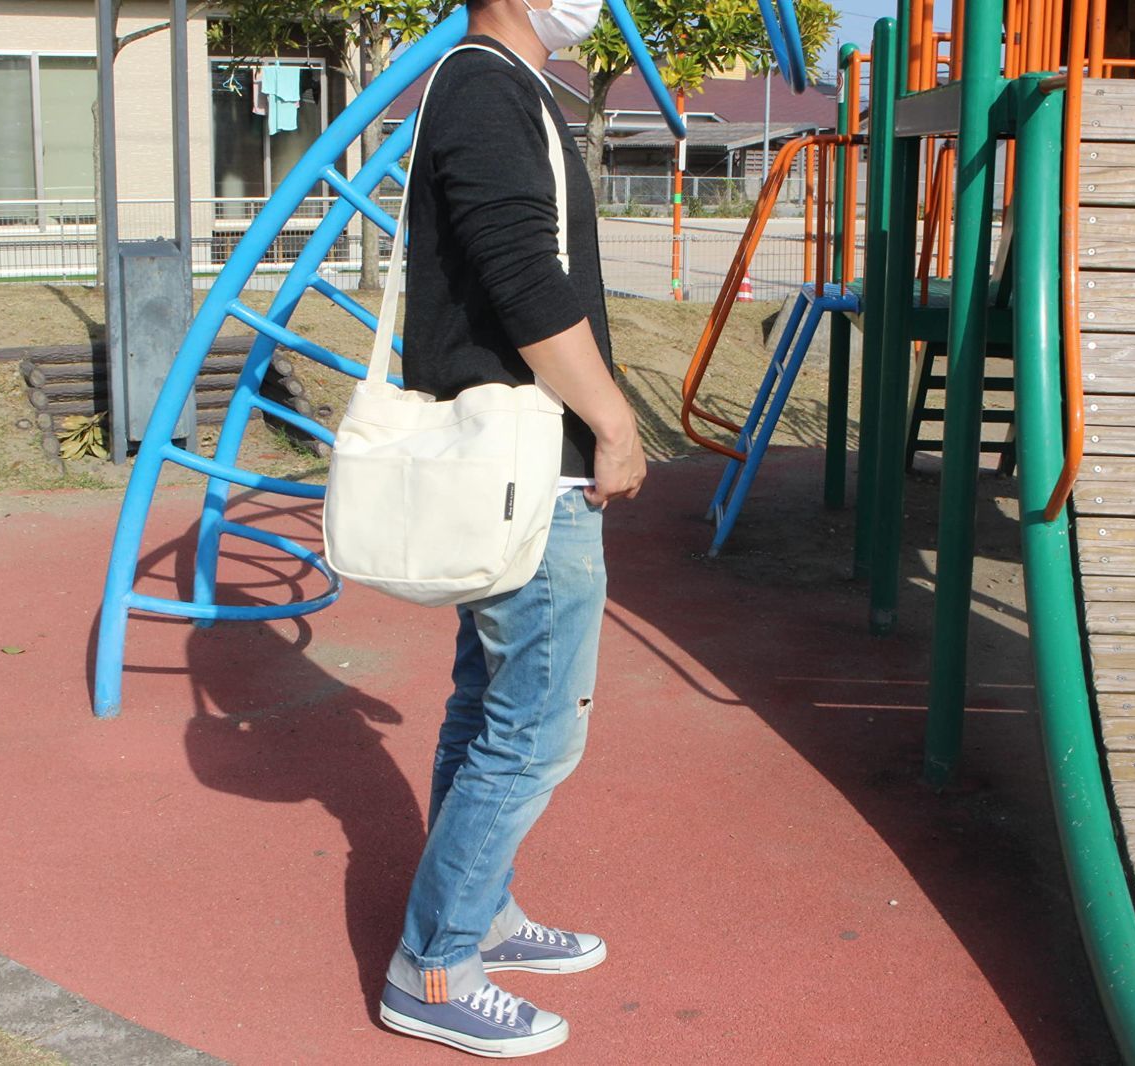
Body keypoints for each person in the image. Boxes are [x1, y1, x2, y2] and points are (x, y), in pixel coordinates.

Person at [375, 0, 646, 1057]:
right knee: (533, 729)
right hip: (533, 469)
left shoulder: (491, 81)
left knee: (487, 706)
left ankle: (478, 916)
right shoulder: (488, 83)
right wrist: (613, 422)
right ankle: (434, 965)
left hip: (511, 466)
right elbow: (524, 276)